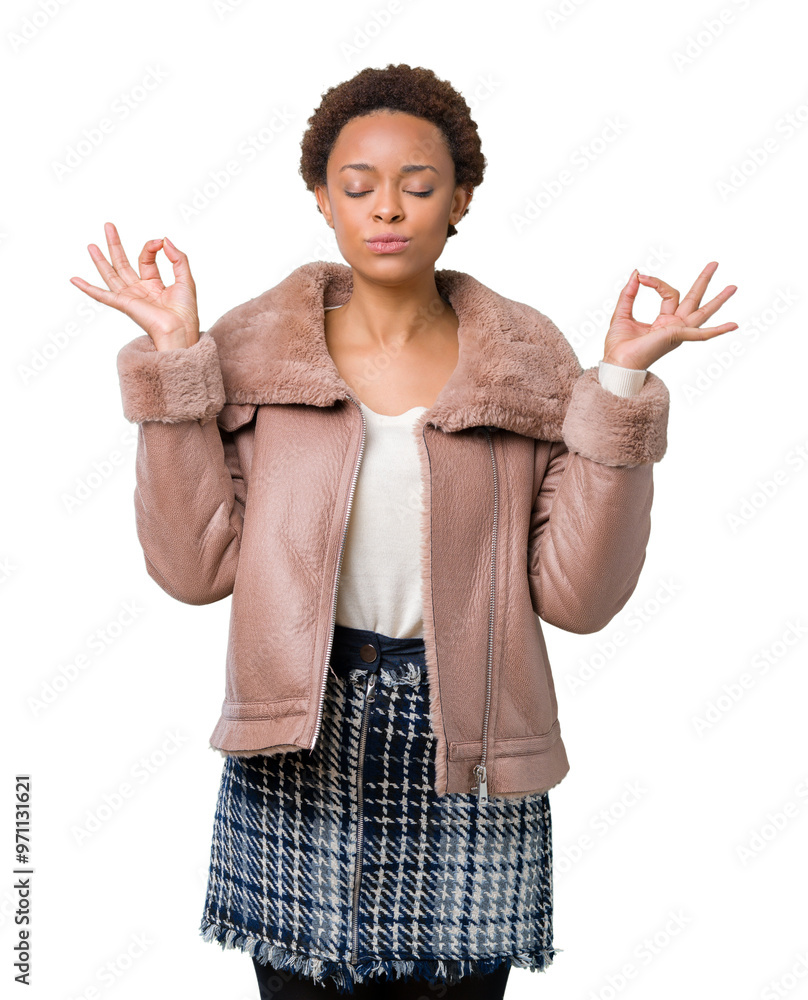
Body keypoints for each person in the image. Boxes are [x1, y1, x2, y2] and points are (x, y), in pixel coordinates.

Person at [70, 63, 737, 999]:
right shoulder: (251, 351)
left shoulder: (528, 360)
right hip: (298, 732)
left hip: (473, 740)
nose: (389, 208)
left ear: (461, 198)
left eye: (418, 185)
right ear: (321, 199)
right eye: (358, 186)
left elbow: (579, 600)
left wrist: (618, 385)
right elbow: (191, 567)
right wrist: (175, 365)